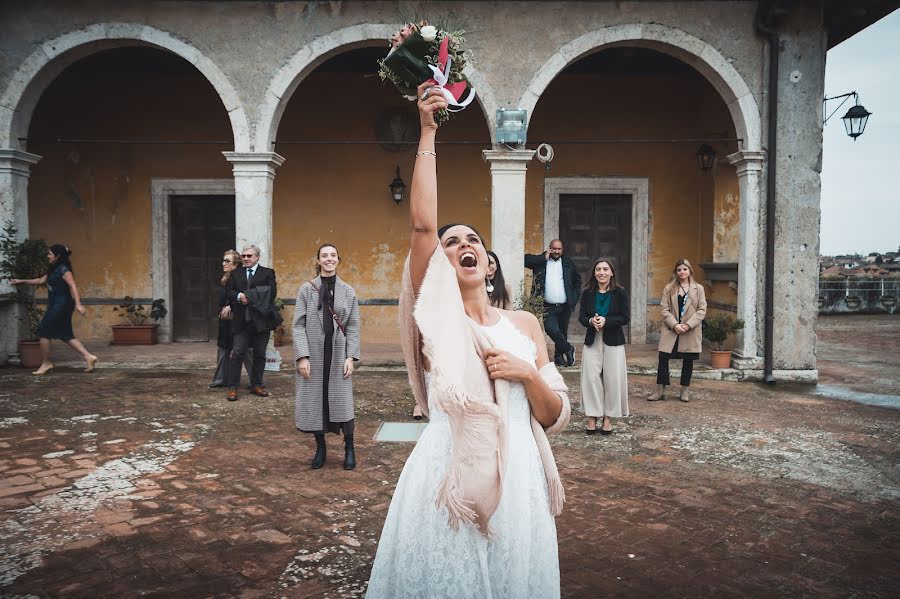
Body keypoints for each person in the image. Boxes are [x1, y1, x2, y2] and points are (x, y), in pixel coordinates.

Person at [366, 81, 571, 599]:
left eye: (472, 240)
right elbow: (421, 226)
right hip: (451, 472)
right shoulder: (438, 319)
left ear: (489, 261)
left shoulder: (525, 325)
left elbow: (552, 414)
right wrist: (428, 131)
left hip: (520, 474)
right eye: (452, 243)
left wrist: (526, 372)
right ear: (442, 264)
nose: (463, 245)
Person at [293, 243, 361, 470]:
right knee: (316, 402)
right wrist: (302, 356)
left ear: (338, 260)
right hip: (313, 354)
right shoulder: (306, 289)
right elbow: (298, 325)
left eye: (333, 255)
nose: (329, 259)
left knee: (342, 403)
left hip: (338, 354)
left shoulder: (348, 291)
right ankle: (320, 448)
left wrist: (351, 357)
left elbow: (353, 326)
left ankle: (349, 448)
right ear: (318, 261)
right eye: (325, 255)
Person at [10, 244, 98, 375]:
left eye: (50, 254)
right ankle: (89, 356)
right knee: (65, 333)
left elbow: (73, 286)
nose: (47, 256)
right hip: (56, 304)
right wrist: (21, 280)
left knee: (43, 332)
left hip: (61, 305)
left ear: (57, 256)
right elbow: (41, 280)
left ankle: (46, 363)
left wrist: (78, 304)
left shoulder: (64, 269)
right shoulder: (54, 268)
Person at [578, 258, 630, 435]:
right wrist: (591, 321)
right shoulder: (587, 293)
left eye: (605, 269)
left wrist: (607, 321)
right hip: (593, 339)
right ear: (594, 273)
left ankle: (608, 417)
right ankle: (592, 416)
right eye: (598, 269)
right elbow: (582, 317)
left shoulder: (620, 292)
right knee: (591, 378)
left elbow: (625, 317)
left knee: (612, 378)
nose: (602, 272)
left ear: (611, 272)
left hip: (613, 339)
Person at [224, 244, 278, 401]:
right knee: (237, 353)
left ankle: (257, 385)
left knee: (260, 355)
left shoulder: (267, 273)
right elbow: (229, 292)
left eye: (250, 256)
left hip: (261, 320)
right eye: (244, 256)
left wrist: (248, 296)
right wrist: (239, 296)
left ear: (257, 257)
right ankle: (233, 388)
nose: (246, 258)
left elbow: (271, 293)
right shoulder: (235, 273)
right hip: (241, 321)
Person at [650, 259, 707, 403]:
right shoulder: (669, 288)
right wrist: (675, 325)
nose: (682, 272)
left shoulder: (698, 288)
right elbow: (664, 309)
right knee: (663, 358)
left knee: (688, 361)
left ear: (690, 271)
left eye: (685, 269)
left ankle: (684, 390)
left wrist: (688, 325)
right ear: (676, 272)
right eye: (679, 270)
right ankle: (660, 390)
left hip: (690, 331)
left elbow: (702, 310)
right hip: (671, 330)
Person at [525, 239, 581, 366]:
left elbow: (578, 281)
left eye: (558, 249)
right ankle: (569, 349)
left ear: (562, 250)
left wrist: (574, 297)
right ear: (549, 248)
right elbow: (524, 260)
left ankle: (559, 358)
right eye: (554, 248)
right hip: (547, 305)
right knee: (551, 329)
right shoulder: (541, 262)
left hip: (565, 305)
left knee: (562, 331)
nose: (556, 251)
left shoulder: (567, 262)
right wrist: (542, 258)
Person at [209, 250, 252, 389]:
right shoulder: (225, 278)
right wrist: (223, 308)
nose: (223, 263)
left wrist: (231, 307)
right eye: (224, 260)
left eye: (227, 261)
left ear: (236, 264)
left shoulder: (242, 278)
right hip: (226, 321)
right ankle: (221, 379)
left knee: (245, 351)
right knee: (223, 350)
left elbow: (247, 297)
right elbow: (223, 299)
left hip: (239, 320)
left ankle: (256, 381)